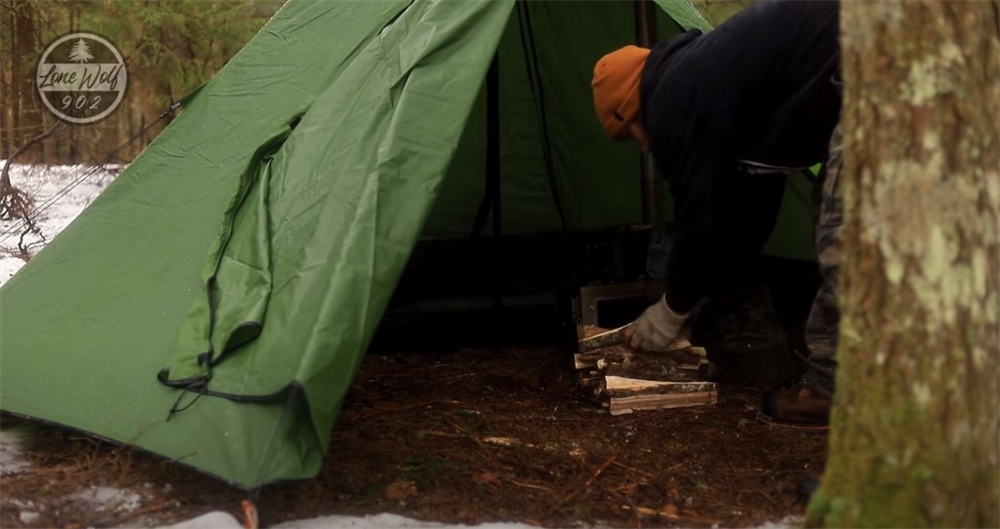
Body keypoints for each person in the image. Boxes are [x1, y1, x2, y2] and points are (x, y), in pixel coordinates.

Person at [591, 0, 842, 428]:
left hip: (889, 51)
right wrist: (697, 299)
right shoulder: (714, 83)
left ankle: (833, 393)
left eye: (631, 133)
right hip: (866, 60)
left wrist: (673, 308)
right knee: (839, 213)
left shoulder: (674, 96)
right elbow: (749, 221)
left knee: (851, 238)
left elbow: (700, 218)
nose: (646, 147)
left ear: (631, 106)